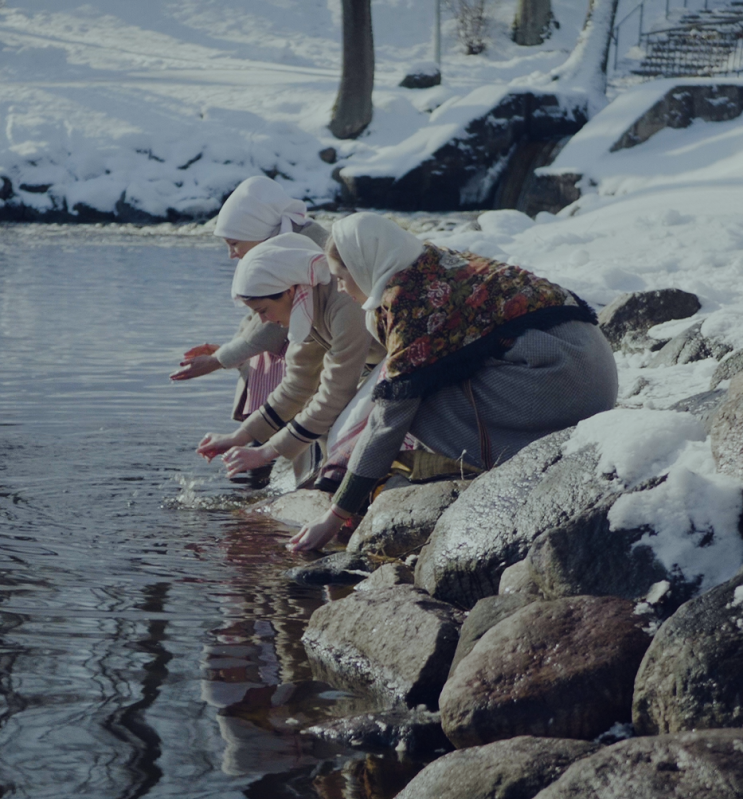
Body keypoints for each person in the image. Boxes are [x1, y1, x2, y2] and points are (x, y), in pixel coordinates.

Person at [288, 213, 618, 552]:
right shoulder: (428, 260)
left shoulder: (409, 301)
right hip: (591, 367)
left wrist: (334, 516)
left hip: (568, 382)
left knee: (415, 407)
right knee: (418, 390)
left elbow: (389, 420)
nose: (341, 288)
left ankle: (487, 462)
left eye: (343, 277)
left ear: (362, 265)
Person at [171, 178, 331, 486]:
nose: (231, 254)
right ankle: (264, 467)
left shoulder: (301, 246)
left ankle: (284, 472)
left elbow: (272, 328)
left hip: (313, 366)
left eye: (234, 244)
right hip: (301, 367)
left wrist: (218, 360)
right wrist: (224, 350)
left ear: (256, 232)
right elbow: (261, 314)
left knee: (301, 409)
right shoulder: (279, 243)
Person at [196, 232, 385, 486]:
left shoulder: (342, 305)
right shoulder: (306, 305)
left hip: (401, 367)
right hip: (372, 369)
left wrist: (265, 452)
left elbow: (334, 394)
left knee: (339, 425)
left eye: (262, 311)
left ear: (289, 291)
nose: (263, 322)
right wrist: (240, 436)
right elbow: (297, 385)